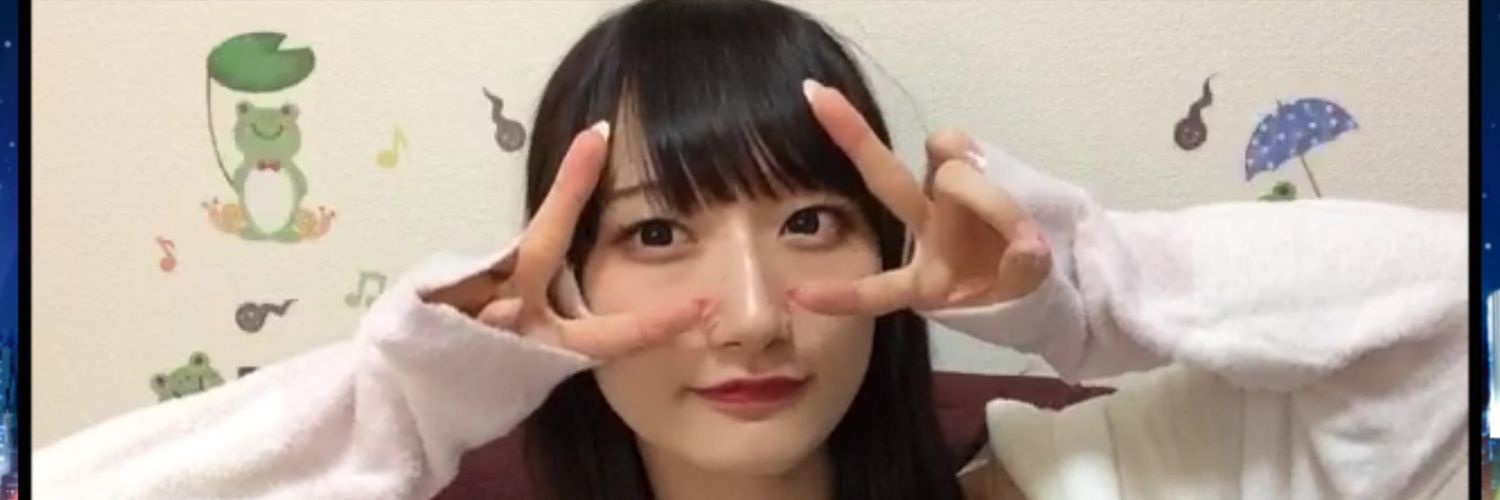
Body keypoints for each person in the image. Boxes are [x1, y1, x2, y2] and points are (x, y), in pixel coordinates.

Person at [35, 1, 1467, 499]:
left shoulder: (1075, 480)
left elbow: (1459, 323)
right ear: (566, 277)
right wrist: (415, 403)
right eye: (658, 232)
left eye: (810, 223)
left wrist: (1085, 292)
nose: (754, 314)